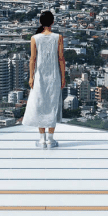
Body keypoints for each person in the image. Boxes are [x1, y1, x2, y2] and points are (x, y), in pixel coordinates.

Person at [22, 10, 66, 148]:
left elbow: (32, 59)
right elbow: (61, 59)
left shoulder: (35, 38)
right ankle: (51, 139)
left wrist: (30, 76)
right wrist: (63, 76)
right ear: (52, 22)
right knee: (52, 105)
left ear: (40, 22)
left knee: (40, 105)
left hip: (39, 76)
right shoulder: (58, 37)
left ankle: (42, 139)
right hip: (54, 76)